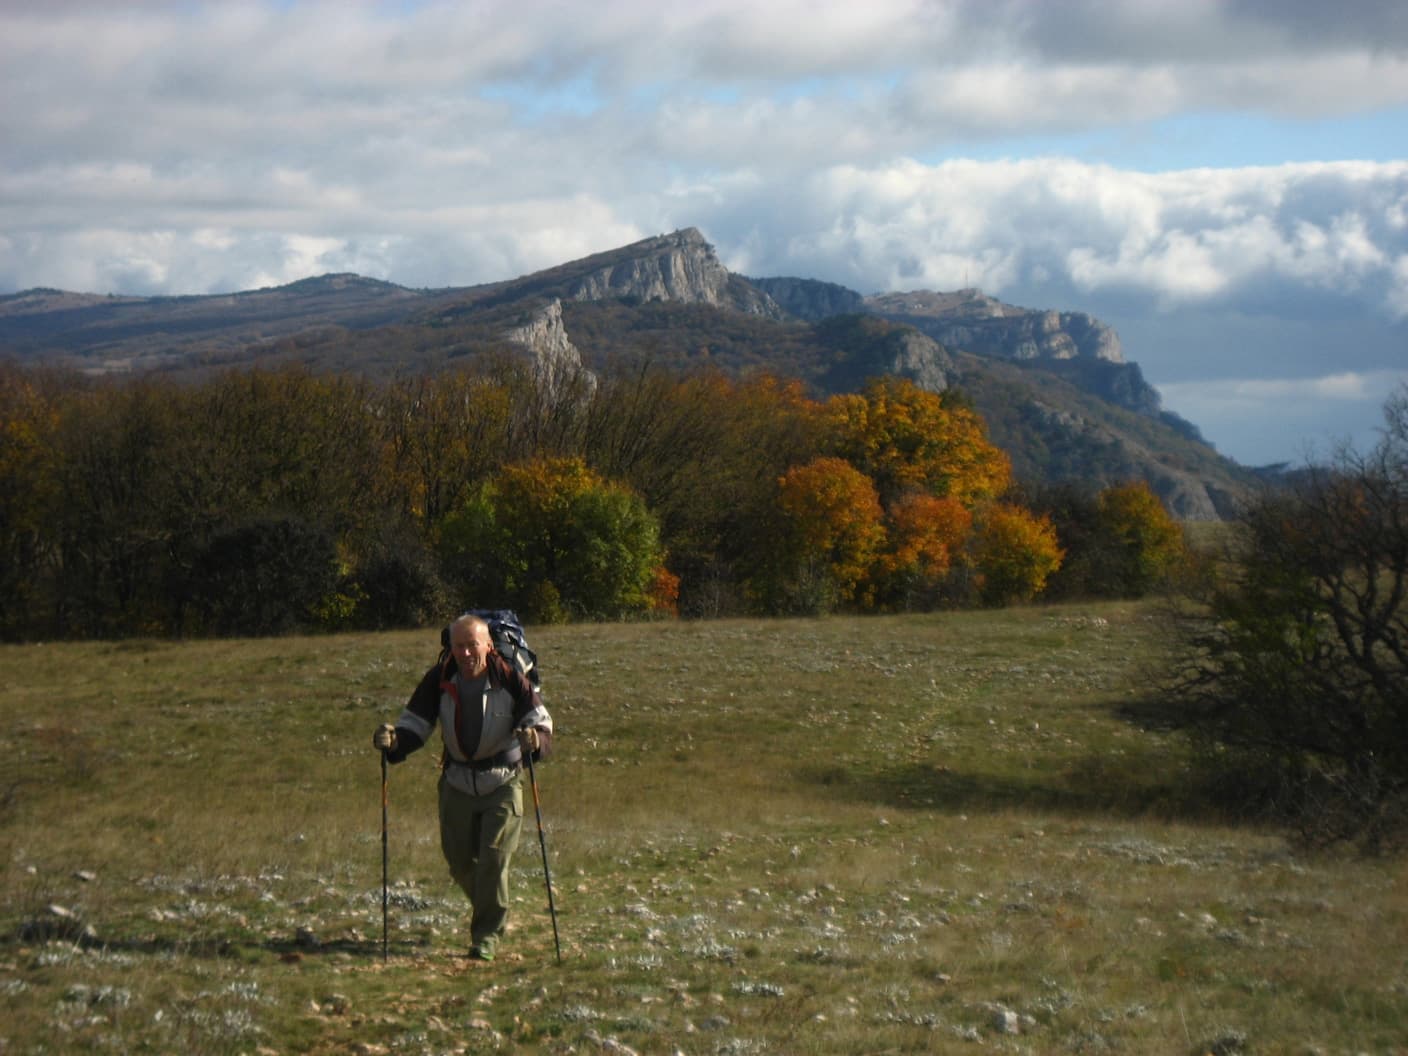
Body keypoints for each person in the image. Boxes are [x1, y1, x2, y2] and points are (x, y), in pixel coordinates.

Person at [373, 613, 553, 962]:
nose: (467, 653)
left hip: (503, 779)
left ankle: (486, 936)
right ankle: (491, 908)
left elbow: (540, 723)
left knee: (493, 859)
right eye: (459, 646)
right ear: (450, 648)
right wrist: (393, 741)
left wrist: (535, 740)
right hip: (456, 782)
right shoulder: (439, 678)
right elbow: (416, 725)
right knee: (458, 863)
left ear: (487, 645)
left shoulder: (511, 678)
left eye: (473, 645)